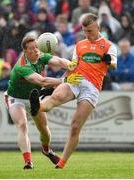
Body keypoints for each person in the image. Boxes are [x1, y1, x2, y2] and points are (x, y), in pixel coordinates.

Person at [29, 13, 117, 169]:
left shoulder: (109, 46)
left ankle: (62, 162)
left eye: (90, 31)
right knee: (56, 97)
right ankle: (37, 106)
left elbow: (114, 64)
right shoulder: (80, 45)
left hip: (92, 87)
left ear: (98, 27)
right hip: (76, 79)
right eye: (84, 31)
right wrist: (55, 85)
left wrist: (109, 61)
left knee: (75, 126)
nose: (87, 34)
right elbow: (72, 66)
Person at [4, 35, 81, 170]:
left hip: (33, 98)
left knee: (44, 131)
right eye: (32, 49)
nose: (36, 50)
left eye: (36, 47)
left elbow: (58, 60)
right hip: (16, 98)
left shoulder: (41, 56)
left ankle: (46, 150)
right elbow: (42, 81)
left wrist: (70, 64)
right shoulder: (22, 67)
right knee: (22, 125)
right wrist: (65, 81)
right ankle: (28, 162)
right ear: (25, 52)